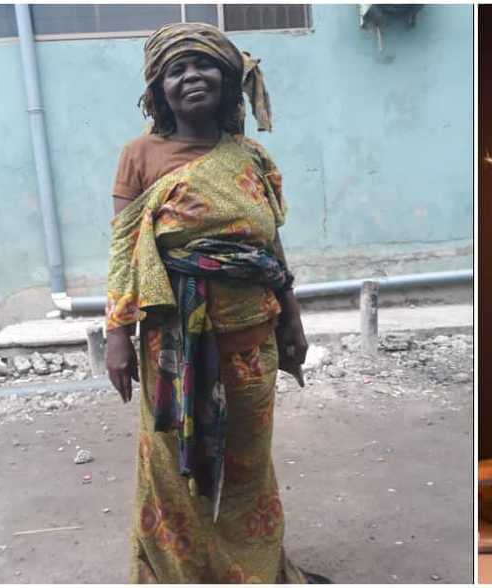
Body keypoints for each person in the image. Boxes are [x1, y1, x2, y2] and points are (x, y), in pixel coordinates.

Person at [104, 22, 323, 583]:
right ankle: (183, 573)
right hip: (171, 339)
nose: (191, 77)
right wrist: (115, 335)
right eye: (176, 69)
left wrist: (292, 319)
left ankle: (252, 569)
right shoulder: (139, 155)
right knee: (174, 468)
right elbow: (123, 250)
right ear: (159, 90)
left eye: (204, 66)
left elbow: (270, 244)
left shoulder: (250, 157)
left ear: (228, 82)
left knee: (249, 462)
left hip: (254, 335)